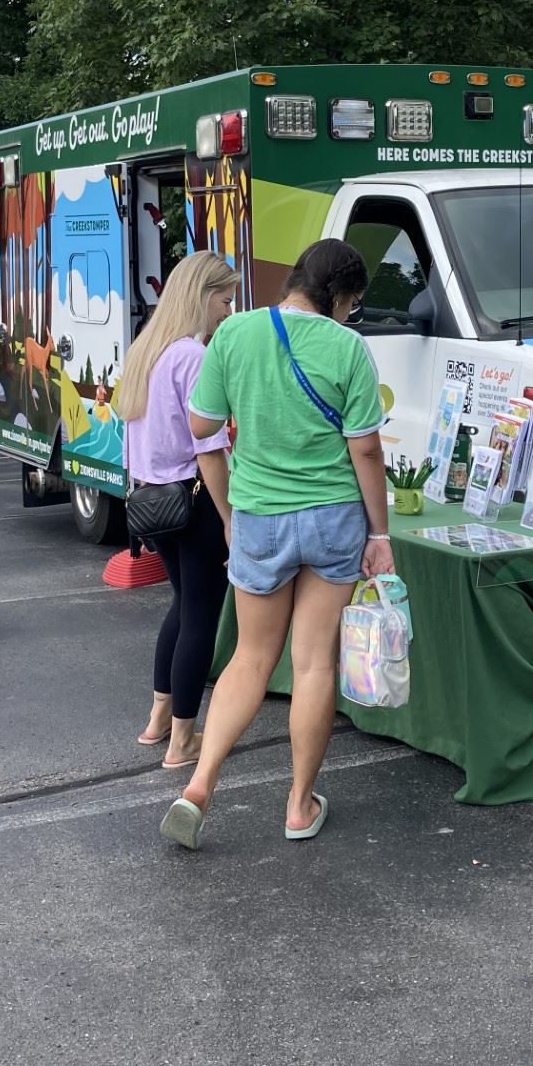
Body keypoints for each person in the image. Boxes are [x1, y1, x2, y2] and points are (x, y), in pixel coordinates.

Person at [160, 238, 393, 851]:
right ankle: (297, 804)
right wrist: (382, 534)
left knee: (249, 659)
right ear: (340, 296)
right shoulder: (348, 347)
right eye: (352, 302)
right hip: (334, 519)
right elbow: (364, 449)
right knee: (315, 662)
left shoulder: (234, 334)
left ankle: (200, 783)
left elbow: (203, 429)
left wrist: (231, 504)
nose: (350, 313)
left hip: (260, 517)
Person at [119, 252, 238, 767]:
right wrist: (232, 520)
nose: (229, 311)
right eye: (224, 298)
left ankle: (158, 719)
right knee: (201, 618)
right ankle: (183, 740)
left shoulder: (147, 349)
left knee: (182, 605)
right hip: (195, 503)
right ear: (200, 296)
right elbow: (207, 447)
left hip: (153, 504)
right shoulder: (192, 356)